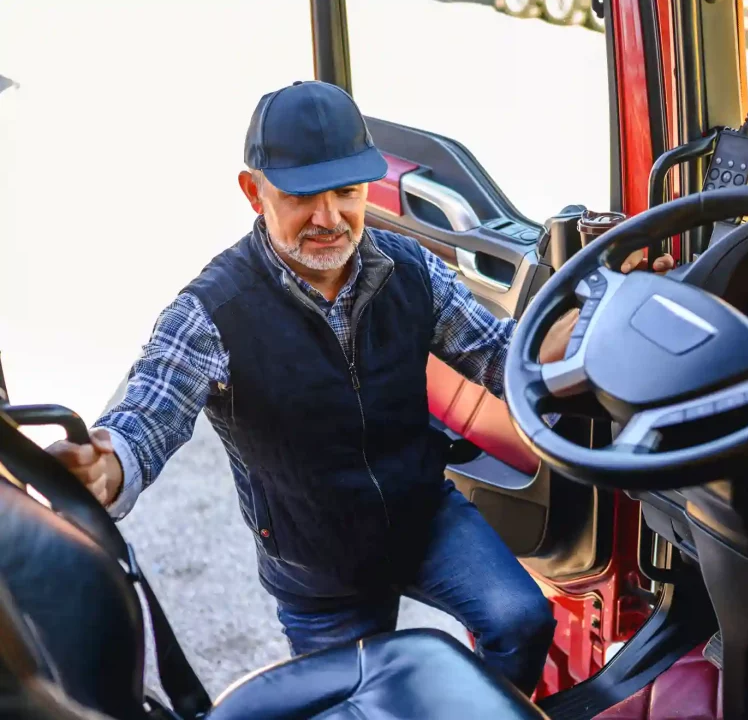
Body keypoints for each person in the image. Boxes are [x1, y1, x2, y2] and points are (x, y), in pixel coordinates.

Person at [45, 80, 673, 695]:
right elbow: (147, 416)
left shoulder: (411, 268)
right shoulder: (211, 311)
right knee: (358, 706)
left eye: (346, 191)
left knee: (523, 621)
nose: (329, 218)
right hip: (319, 568)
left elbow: (507, 357)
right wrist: (105, 466)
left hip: (424, 518)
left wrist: (605, 308)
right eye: (301, 196)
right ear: (252, 191)